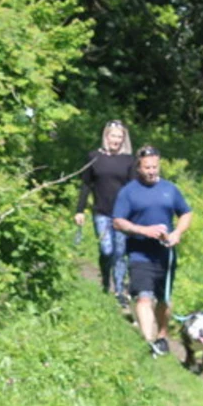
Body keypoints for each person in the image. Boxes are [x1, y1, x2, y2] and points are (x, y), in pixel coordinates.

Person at [111, 146, 192, 357]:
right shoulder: (128, 192)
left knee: (163, 299)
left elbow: (186, 213)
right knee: (144, 297)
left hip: (165, 253)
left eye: (155, 167)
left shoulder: (170, 189)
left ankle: (162, 336)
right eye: (147, 167)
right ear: (138, 167)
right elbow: (118, 222)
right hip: (139, 253)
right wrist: (143, 230)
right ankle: (149, 342)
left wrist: (177, 233)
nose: (151, 171)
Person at [73, 120, 136, 305]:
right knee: (106, 250)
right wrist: (80, 210)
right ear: (106, 137)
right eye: (113, 136)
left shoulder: (129, 160)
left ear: (123, 139)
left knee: (120, 251)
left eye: (119, 137)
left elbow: (133, 188)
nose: (115, 140)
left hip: (123, 215)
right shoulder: (94, 157)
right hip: (101, 211)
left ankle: (119, 291)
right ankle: (105, 279)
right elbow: (86, 184)